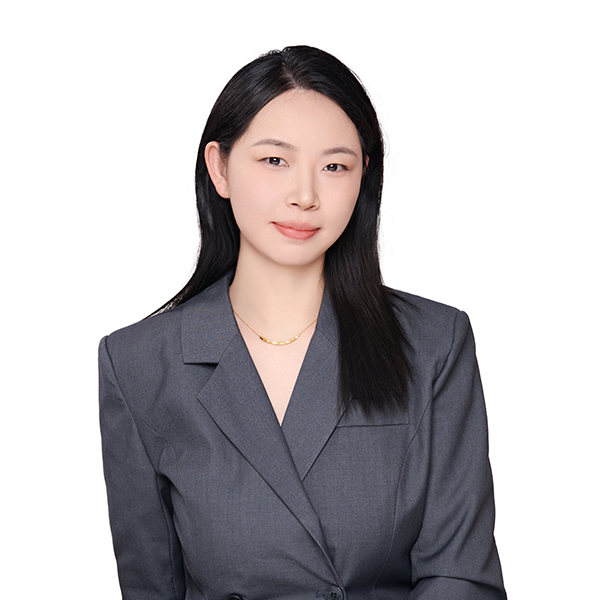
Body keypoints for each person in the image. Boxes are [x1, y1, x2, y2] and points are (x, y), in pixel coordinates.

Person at [99, 45, 507, 599]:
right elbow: (152, 586)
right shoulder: (140, 362)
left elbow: (460, 576)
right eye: (275, 161)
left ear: (364, 177)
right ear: (220, 168)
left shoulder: (432, 343)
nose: (306, 196)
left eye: (335, 166)